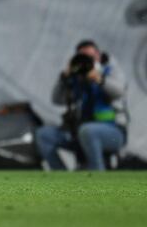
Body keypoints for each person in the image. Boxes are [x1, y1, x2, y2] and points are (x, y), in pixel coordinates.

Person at [35, 40, 129, 171]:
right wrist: (64, 76)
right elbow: (56, 100)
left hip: (114, 134)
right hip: (80, 134)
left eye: (89, 57)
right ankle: (62, 180)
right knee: (43, 134)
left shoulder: (111, 70)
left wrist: (99, 79)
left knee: (87, 131)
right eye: (82, 57)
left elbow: (119, 92)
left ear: (98, 56)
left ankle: (98, 181)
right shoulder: (78, 79)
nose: (87, 62)